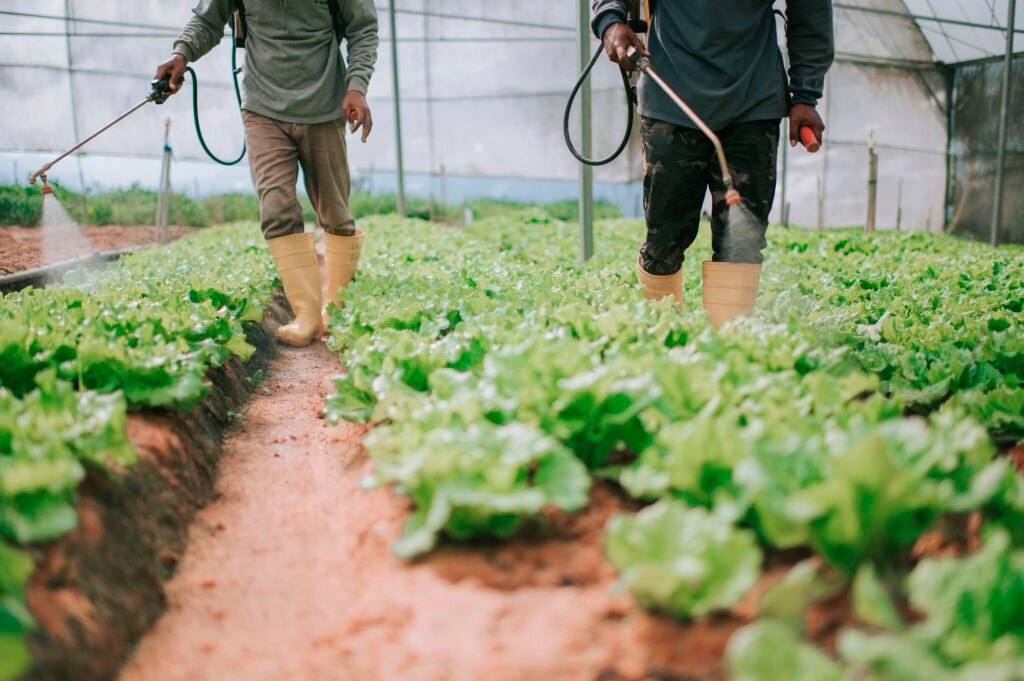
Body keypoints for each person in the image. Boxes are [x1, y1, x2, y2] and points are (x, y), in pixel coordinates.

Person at [592, 0, 834, 326]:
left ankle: (727, 351)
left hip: (753, 102)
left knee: (742, 243)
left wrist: (805, 95)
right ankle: (658, 340)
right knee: (664, 239)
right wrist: (610, 21)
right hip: (670, 100)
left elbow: (811, 10)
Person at [156, 0, 379, 346]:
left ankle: (337, 308)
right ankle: (305, 314)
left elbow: (363, 28)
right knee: (276, 208)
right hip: (263, 108)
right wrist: (182, 54)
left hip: (324, 104)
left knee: (335, 212)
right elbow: (208, 19)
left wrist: (357, 85)